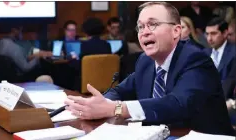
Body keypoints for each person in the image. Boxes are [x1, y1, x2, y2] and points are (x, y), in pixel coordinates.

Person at [65, 2, 235, 136]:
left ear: (176, 31)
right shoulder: (145, 61)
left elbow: (178, 104)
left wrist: (116, 108)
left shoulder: (195, 59)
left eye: (152, 24)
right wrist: (98, 104)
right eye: (140, 26)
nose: (144, 32)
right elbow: (119, 91)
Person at [203, 17, 236, 82]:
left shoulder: (234, 52)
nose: (209, 38)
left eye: (213, 33)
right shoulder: (204, 53)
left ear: (225, 33)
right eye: (207, 34)